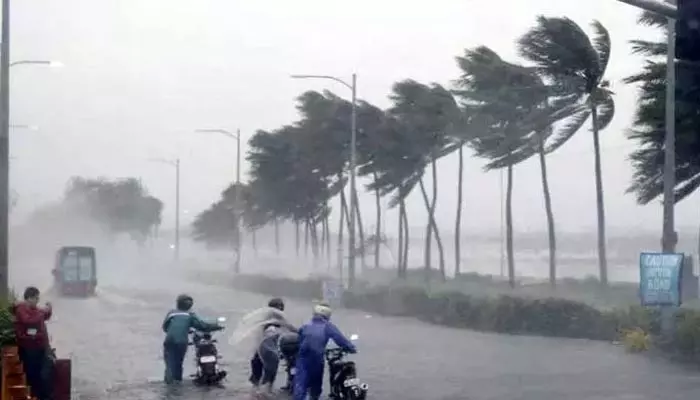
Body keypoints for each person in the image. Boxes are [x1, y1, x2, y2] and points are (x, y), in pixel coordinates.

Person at [293, 302, 356, 400]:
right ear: (328, 315)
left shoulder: (305, 325)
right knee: (316, 384)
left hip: (303, 357)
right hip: (317, 358)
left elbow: (299, 339)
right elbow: (340, 339)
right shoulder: (328, 326)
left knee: (301, 384)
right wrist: (351, 348)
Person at [161, 294, 223, 384]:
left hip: (169, 340)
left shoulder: (171, 313)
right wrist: (217, 327)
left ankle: (169, 382)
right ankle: (177, 382)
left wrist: (179, 330)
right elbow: (203, 326)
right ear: (190, 305)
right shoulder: (190, 315)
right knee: (178, 363)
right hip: (182, 341)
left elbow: (165, 327)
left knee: (169, 363)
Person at [249, 297, 297, 393]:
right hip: (268, 348)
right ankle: (265, 391)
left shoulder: (265, 316)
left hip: (262, 347)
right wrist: (301, 332)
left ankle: (257, 389)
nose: (281, 308)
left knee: (258, 367)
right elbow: (290, 327)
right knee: (269, 371)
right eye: (280, 306)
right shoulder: (276, 317)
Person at [12, 286, 53, 400]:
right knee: (33, 376)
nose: (37, 301)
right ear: (28, 298)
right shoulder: (21, 310)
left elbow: (45, 315)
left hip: (41, 347)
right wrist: (43, 312)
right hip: (29, 349)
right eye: (36, 298)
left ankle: (42, 396)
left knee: (43, 375)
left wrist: (48, 309)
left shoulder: (36, 310)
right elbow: (30, 320)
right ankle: (35, 396)